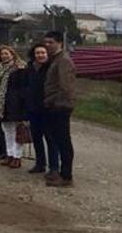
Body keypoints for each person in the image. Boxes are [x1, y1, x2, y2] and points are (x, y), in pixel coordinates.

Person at [43, 31, 76, 187]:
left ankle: (66, 176)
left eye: (51, 42)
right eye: (46, 42)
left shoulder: (63, 61)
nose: (47, 45)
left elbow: (65, 87)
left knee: (63, 141)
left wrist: (52, 102)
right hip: (55, 105)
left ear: (59, 43)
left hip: (60, 106)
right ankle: (62, 173)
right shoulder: (54, 60)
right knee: (57, 139)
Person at [26, 43, 59, 177]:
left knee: (50, 139)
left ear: (47, 54)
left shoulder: (51, 68)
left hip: (48, 108)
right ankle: (40, 164)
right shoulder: (30, 68)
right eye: (37, 53)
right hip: (33, 108)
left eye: (43, 53)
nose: (40, 55)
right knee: (36, 137)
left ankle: (54, 167)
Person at [0, 46, 28, 168]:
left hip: (16, 102)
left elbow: (23, 87)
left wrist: (22, 102)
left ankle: (17, 156)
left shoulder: (20, 68)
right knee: (7, 130)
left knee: (18, 131)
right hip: (2, 102)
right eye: (2, 54)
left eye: (7, 53)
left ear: (12, 54)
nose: (4, 56)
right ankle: (9, 154)